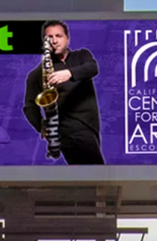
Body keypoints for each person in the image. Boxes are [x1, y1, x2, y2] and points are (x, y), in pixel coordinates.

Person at [23, 20, 104, 165]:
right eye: (49, 37)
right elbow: (29, 106)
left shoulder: (82, 56)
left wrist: (69, 73)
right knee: (97, 174)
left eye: (58, 36)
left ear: (67, 38)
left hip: (90, 125)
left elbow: (93, 68)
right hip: (68, 129)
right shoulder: (37, 74)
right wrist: (42, 127)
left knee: (89, 177)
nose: (54, 41)